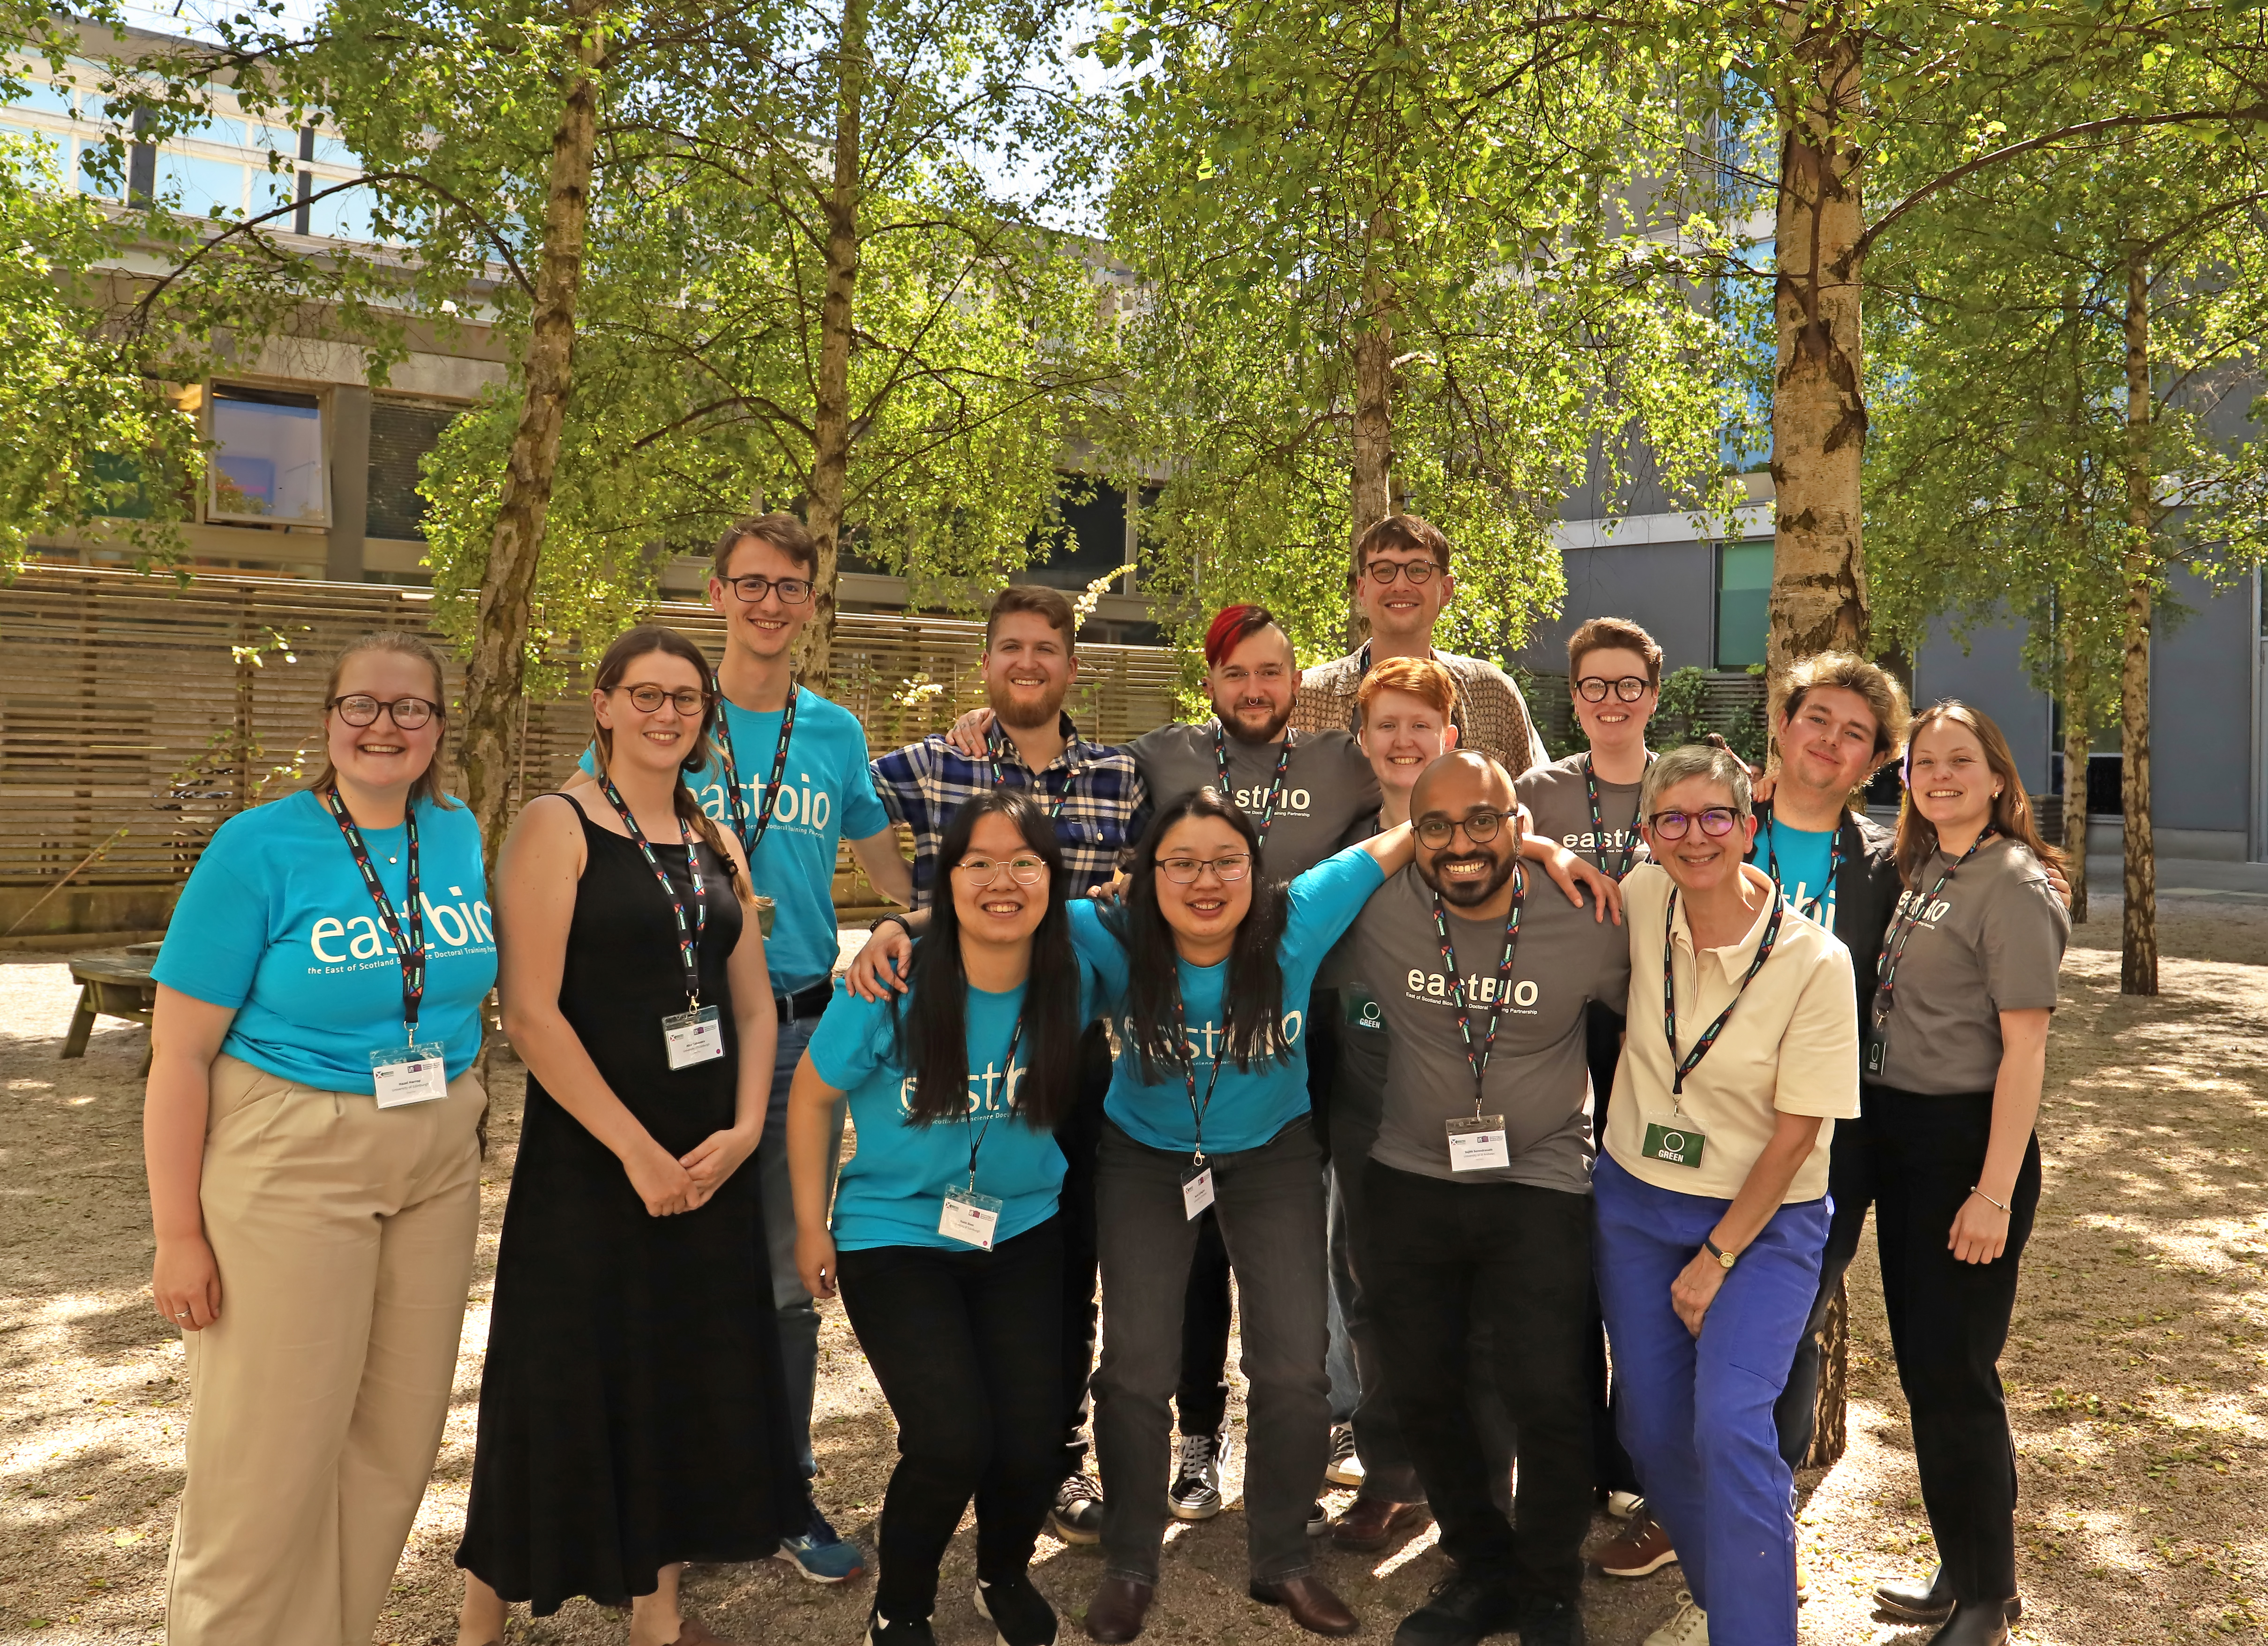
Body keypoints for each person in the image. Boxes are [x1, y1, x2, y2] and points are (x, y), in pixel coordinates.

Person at [146, 631, 496, 1646]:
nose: (384, 726)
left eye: (410, 709)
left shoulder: (460, 832)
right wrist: (179, 1234)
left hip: (434, 1156)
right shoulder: (258, 846)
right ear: (330, 720)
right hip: (293, 1154)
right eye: (362, 706)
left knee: (391, 1447)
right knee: (266, 1457)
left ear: (439, 728)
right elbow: (177, 1056)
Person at [457, 624, 802, 1646]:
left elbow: (751, 1008)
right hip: (593, 1160)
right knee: (556, 1382)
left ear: (705, 719)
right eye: (643, 695)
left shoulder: (715, 839)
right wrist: (634, 1151)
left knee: (678, 1377)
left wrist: (745, 1130)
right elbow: (529, 1014)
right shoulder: (552, 825)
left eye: (685, 700)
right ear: (602, 704)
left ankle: (660, 1615)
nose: (665, 714)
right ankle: (479, 1621)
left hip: (708, 1157)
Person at [1074, 793, 1416, 1643]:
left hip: (1271, 1154)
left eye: (1225, 860)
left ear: (1255, 871)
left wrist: (1540, 847)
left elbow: (1408, 834)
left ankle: (1280, 1561)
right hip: (1145, 1156)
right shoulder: (1109, 931)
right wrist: (901, 931)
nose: (1204, 880)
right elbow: (995, 902)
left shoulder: (1295, 916)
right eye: (1181, 863)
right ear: (1147, 874)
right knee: (1135, 1367)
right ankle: (1129, 1561)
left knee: (1295, 1366)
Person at [788, 790, 1104, 1646]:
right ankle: (901, 1604)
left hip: (1025, 1231)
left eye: (1023, 863)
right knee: (952, 1438)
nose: (1002, 881)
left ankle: (1003, 1571)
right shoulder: (890, 979)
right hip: (894, 1237)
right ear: (946, 878)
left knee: (1032, 1431)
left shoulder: (1075, 970)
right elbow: (813, 1096)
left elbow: (1158, 905)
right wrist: (810, 1225)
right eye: (978, 864)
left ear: (1051, 877)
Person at [867, 584, 1148, 1545]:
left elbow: (1163, 885)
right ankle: (949, 1442)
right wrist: (891, 912)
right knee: (940, 1252)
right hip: (950, 1053)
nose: (1028, 664)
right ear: (985, 662)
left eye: (1046, 650)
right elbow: (821, 800)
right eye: (1010, 649)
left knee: (1063, 1267)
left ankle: (1053, 1462)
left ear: (1073, 668)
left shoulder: (1119, 776)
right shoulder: (929, 763)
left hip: (1071, 1058)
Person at [1342, 750, 1628, 1646]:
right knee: (1419, 1388)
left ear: (1516, 823)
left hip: (1538, 1177)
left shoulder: (1588, 917)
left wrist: (1547, 853)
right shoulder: (1377, 911)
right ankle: (1481, 1565)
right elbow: (1282, 908)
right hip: (1407, 1178)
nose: (1459, 844)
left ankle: (1548, 1586)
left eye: (1481, 822)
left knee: (1545, 1389)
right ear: (1408, 834)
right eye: (1434, 826)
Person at [1592, 743, 1860, 1646]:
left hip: (1762, 1218)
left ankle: (1753, 1630)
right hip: (1635, 1199)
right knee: (1652, 1428)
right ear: (1648, 836)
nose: (1694, 835)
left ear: (1750, 826)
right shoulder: (1635, 899)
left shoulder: (1815, 961)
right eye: (1671, 818)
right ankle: (1738, 1588)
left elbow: (1797, 1136)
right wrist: (1549, 853)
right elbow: (1547, 879)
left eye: (1716, 816)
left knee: (1729, 1421)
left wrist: (1715, 1259)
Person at [700, 513, 911, 1582]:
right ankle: (680, 1498)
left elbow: (894, 871)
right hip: (681, 1035)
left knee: (789, 1271)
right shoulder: (667, 713)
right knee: (674, 1263)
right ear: (717, 591)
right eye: (754, 584)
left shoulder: (832, 730)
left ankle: (785, 1492)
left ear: (813, 603)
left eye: (793, 587)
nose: (772, 603)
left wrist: (927, 919)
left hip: (794, 1029)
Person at [1863, 702, 2068, 1646]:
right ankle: (1962, 1562)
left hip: (1966, 1149)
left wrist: (1990, 1194)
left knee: (1955, 1374)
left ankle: (1990, 1596)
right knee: (1928, 1371)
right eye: (1922, 762)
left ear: (1996, 777)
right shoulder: (1929, 866)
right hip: (1902, 1137)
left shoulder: (2015, 882)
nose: (1938, 773)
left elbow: (2023, 1054)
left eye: (1959, 760)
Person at [1512, 616, 1661, 1545]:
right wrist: (1544, 851)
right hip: (1558, 1032)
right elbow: (1479, 842)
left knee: (1641, 1244)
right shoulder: (1540, 789)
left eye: (1627, 685)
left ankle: (1641, 1460)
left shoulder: (1687, 781)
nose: (1610, 701)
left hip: (1660, 1036)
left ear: (1653, 691)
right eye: (1593, 687)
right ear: (1572, 698)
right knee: (1562, 1245)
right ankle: (1573, 1458)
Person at [1290, 512, 1551, 774]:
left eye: (1418, 570)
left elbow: (1538, 799)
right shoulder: (1305, 700)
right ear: (1362, 590)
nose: (1400, 585)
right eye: (1384, 571)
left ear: (1446, 590)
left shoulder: (1492, 694)